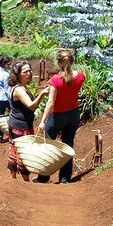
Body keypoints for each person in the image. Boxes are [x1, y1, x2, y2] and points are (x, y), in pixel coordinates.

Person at [39, 48, 85, 184]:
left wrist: (42, 121)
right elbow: (74, 87)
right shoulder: (81, 76)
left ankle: (44, 176)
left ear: (58, 63)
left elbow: (51, 102)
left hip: (57, 116)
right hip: (73, 114)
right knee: (68, 145)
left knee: (48, 144)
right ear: (72, 61)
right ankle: (65, 178)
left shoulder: (56, 80)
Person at [6, 60, 48, 181]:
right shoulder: (19, 89)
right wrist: (42, 94)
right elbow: (32, 106)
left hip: (20, 124)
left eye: (30, 70)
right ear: (18, 74)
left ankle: (14, 179)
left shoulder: (23, 87)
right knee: (24, 154)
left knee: (15, 151)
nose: (29, 73)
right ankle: (25, 181)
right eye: (26, 72)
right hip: (21, 127)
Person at [0, 56, 11, 142]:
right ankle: (13, 134)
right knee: (13, 114)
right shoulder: (6, 75)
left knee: (1, 116)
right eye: (9, 64)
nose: (10, 66)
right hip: (4, 98)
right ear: (4, 64)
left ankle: (0, 136)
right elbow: (7, 90)